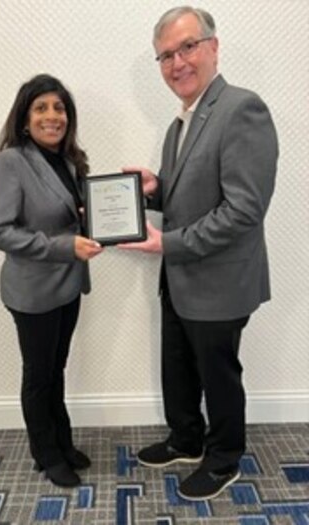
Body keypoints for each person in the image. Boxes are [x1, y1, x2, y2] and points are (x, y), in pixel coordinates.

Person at [119, 6, 278, 501]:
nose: (176, 63)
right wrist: (153, 190)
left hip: (221, 282)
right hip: (182, 277)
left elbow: (243, 211)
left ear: (213, 46)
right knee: (179, 366)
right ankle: (186, 439)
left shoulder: (241, 108)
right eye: (165, 56)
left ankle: (224, 457)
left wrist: (169, 243)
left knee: (218, 374)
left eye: (186, 48)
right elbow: (192, 195)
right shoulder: (178, 125)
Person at [0, 74, 102, 488]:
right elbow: (0, 232)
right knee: (38, 375)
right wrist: (64, 246)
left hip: (69, 285)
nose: (53, 116)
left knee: (57, 368)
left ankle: (62, 442)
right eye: (41, 108)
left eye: (59, 108)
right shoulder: (10, 162)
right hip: (32, 290)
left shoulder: (69, 159)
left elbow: (70, 214)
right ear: (24, 117)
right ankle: (47, 454)